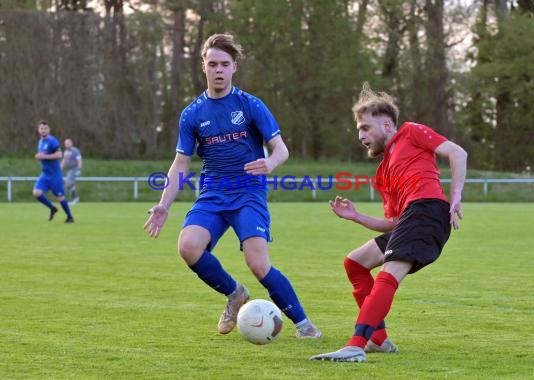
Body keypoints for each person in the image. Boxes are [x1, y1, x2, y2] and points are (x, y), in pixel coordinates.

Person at [143, 33, 321, 338]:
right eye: (212, 64)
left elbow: (281, 149)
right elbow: (181, 163)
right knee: (187, 246)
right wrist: (164, 204)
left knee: (257, 264)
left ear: (234, 67)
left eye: (225, 64)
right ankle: (235, 294)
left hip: (248, 193)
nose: (219, 69)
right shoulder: (192, 114)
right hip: (212, 193)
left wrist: (271, 164)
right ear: (204, 67)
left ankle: (305, 326)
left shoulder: (250, 105)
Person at [311, 84, 467, 362]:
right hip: (412, 217)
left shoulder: (411, 131)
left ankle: (356, 345)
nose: (361, 136)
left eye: (366, 128)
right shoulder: (382, 173)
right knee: (355, 263)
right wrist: (357, 217)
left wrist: (455, 196)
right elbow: (394, 223)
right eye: (358, 130)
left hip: (428, 211)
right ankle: (379, 339)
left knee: (389, 273)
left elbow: (458, 153)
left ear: (386, 125)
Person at [33, 121, 75, 223]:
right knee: (36, 193)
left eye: (45, 128)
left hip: (54, 176)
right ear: (39, 130)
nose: (43, 130)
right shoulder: (40, 142)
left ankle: (70, 217)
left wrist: (44, 157)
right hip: (45, 174)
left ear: (49, 129)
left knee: (60, 197)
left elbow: (59, 154)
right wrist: (39, 157)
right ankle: (52, 208)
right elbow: (43, 154)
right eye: (41, 128)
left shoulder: (52, 141)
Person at [61, 138, 82, 205]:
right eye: (65, 144)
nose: (67, 145)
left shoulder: (75, 151)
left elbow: (79, 160)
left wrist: (79, 169)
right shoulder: (66, 151)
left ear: (71, 143)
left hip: (74, 169)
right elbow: (64, 161)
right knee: (69, 185)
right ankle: (75, 198)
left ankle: (74, 198)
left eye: (68, 143)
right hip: (69, 170)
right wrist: (60, 168)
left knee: (68, 183)